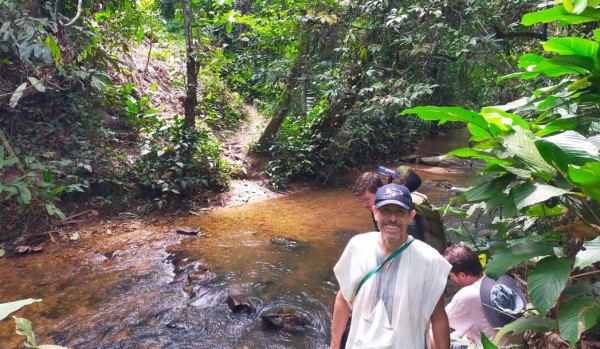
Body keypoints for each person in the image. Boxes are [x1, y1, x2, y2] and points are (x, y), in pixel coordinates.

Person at [332, 183, 452, 349]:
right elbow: (343, 299)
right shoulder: (358, 247)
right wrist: (334, 345)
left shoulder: (430, 260)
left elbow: (438, 318)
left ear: (411, 216)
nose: (392, 218)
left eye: (400, 212)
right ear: (375, 213)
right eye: (386, 210)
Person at [443, 245, 526, 348]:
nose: (452, 279)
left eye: (451, 276)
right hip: (518, 344)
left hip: (494, 346)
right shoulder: (498, 278)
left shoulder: (467, 295)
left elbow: (440, 321)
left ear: (462, 275)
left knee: (441, 337)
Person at [353, 168, 447, 254]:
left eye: (366, 199)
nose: (364, 205)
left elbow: (416, 246)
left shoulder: (402, 213)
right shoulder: (376, 209)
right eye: (361, 201)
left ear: (378, 192)